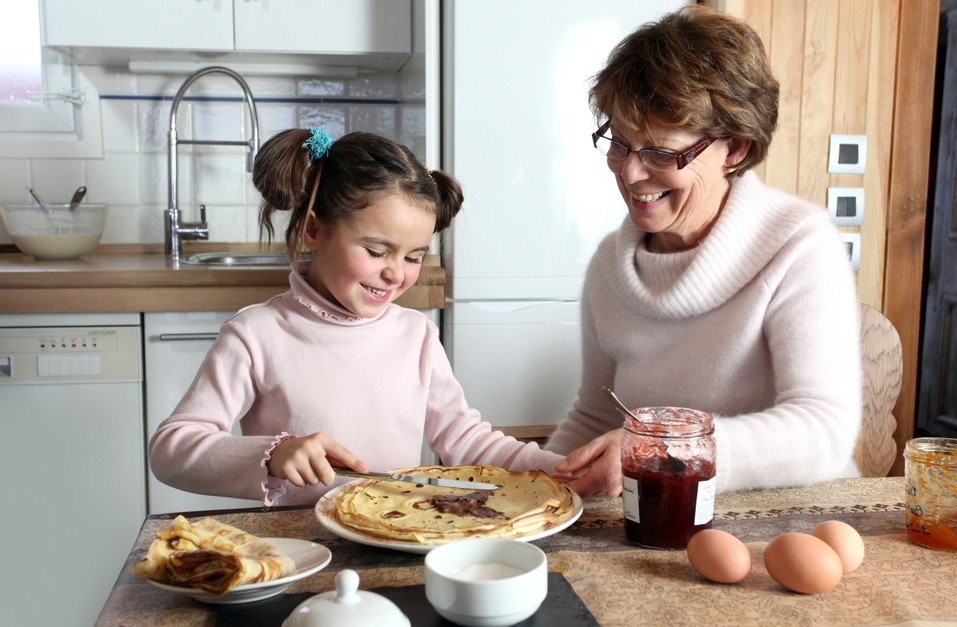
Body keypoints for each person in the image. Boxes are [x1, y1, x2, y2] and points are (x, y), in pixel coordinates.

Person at [149, 128, 563, 507]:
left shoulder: (416, 335)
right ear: (314, 230)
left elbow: (465, 439)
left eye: (413, 256)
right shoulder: (256, 335)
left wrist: (561, 469)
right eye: (376, 251)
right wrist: (272, 454)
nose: (395, 272)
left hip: (397, 535)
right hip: (303, 548)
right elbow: (172, 449)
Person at [545, 5, 862, 497]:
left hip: (791, 520)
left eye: (660, 152)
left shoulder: (799, 246)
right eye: (620, 144)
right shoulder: (610, 266)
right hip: (661, 515)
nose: (629, 173)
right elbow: (596, 413)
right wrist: (541, 487)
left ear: (733, 148)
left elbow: (823, 430)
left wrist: (662, 449)